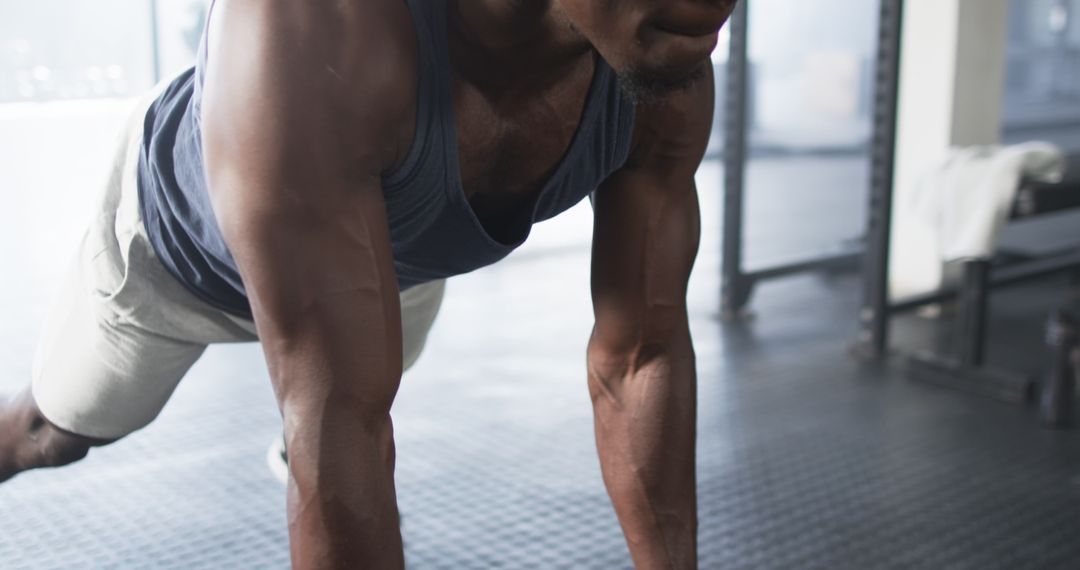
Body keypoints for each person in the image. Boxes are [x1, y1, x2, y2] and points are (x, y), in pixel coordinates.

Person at [0, 0, 734, 567]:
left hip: (381, 254)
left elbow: (641, 356)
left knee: (338, 416)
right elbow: (338, 420)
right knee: (51, 434)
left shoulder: (661, 49)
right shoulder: (315, 27)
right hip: (177, 260)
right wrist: (324, 440)